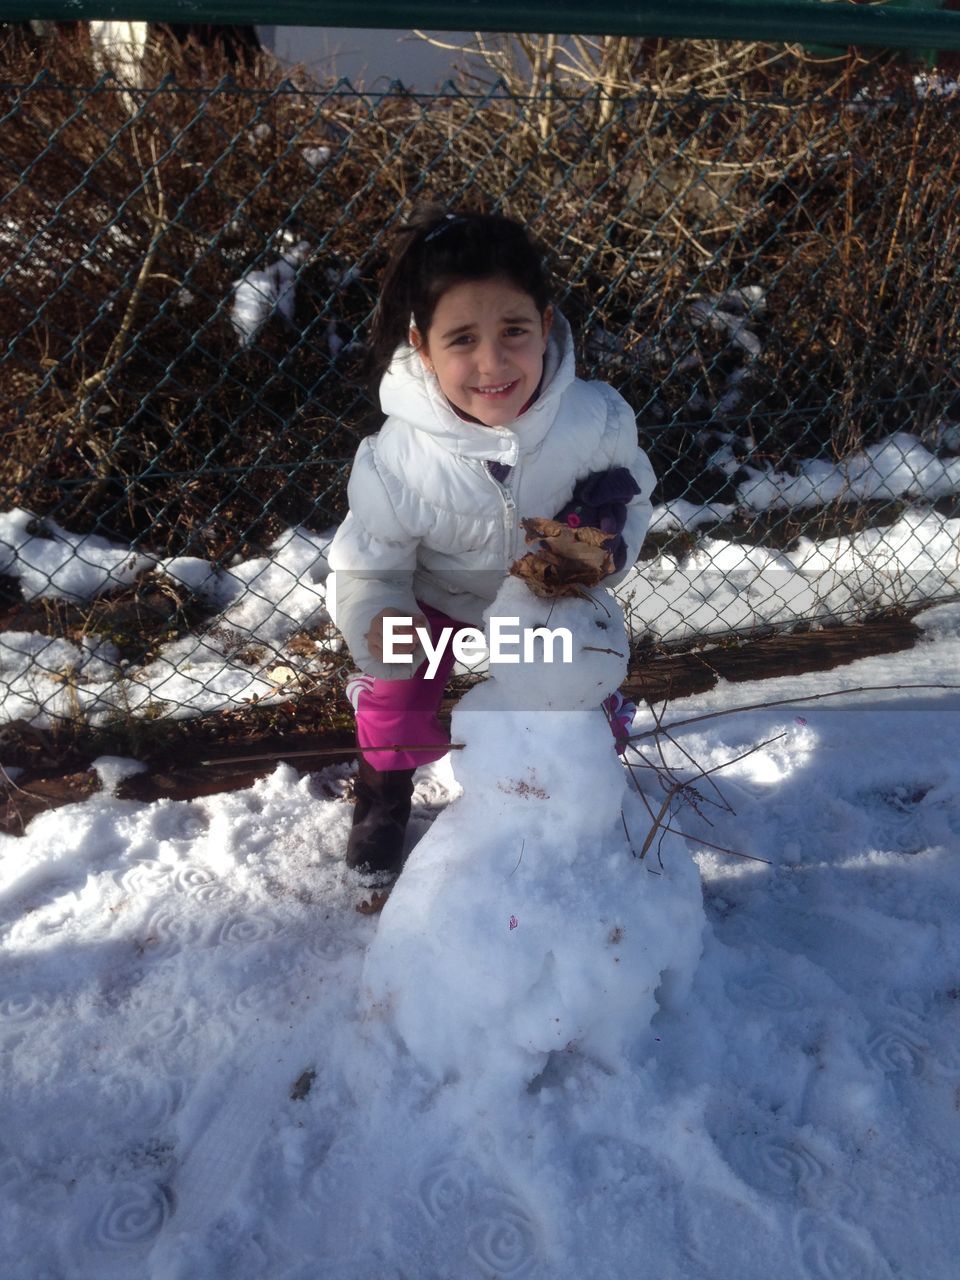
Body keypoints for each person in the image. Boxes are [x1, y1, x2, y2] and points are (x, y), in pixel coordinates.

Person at [327, 206, 655, 877]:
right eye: (461, 340)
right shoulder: (397, 459)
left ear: (546, 323)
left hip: (539, 602)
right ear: (421, 345)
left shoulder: (595, 422)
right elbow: (367, 565)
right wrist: (382, 622)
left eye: (514, 331)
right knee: (397, 696)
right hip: (437, 610)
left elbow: (634, 498)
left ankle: (581, 792)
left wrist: (608, 542)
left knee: (579, 685)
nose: (492, 362)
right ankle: (383, 797)